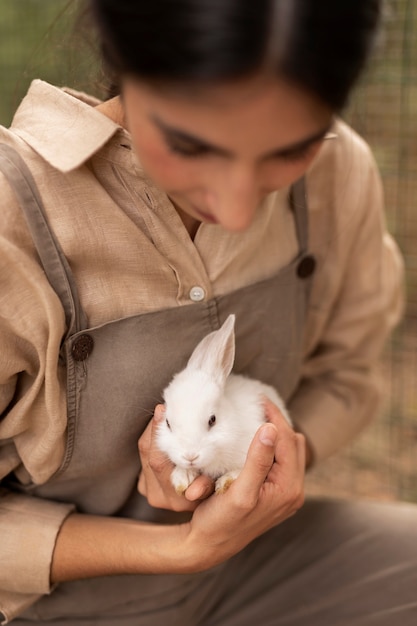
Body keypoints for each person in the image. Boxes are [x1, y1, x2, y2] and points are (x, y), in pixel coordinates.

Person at [0, 0, 416, 624]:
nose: (241, 210)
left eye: (290, 148)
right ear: (125, 59)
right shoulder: (13, 218)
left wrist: (265, 463)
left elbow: (348, 377)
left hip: (253, 562)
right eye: (193, 145)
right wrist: (182, 547)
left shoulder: (338, 172)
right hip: (50, 604)